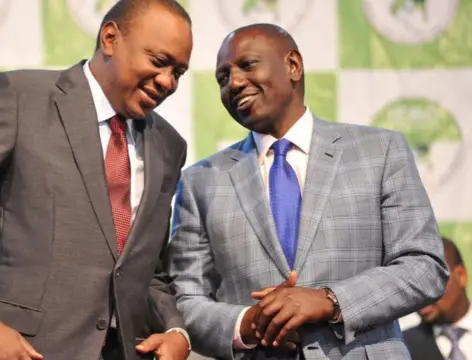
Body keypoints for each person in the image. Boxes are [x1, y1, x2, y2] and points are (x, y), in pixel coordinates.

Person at [0, 1, 193, 359]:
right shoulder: (18, 98)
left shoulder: (169, 145)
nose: (168, 81)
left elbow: (144, 266)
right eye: (159, 61)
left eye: (179, 72)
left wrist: (175, 329)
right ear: (110, 38)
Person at [165, 23, 448, 359]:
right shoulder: (201, 180)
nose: (235, 82)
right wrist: (245, 324)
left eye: (247, 65)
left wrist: (331, 300)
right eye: (222, 78)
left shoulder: (380, 151)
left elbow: (423, 266)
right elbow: (184, 298)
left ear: (293, 65)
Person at [403, 237, 470, 360]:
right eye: (413, 286)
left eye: (430, 282)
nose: (421, 295)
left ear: (461, 276)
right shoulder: (402, 348)